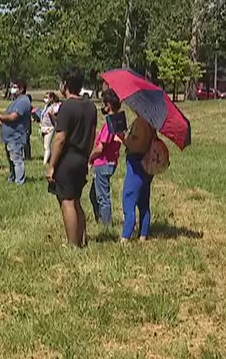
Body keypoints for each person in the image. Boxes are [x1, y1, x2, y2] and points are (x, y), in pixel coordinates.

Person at [46, 72, 96, 247]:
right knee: (76, 200)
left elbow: (60, 139)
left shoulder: (67, 107)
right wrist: (87, 156)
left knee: (66, 201)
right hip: (82, 157)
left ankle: (72, 244)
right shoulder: (90, 107)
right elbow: (92, 135)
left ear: (66, 84)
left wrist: (52, 165)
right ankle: (82, 239)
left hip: (67, 159)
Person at [121, 112, 159, 242]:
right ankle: (143, 234)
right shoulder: (151, 122)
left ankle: (126, 237)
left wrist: (123, 139)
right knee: (143, 201)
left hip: (137, 164)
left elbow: (137, 145)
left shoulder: (141, 122)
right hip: (147, 165)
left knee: (129, 199)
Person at [89, 89, 124, 226]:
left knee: (102, 197)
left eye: (103, 103)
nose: (102, 106)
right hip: (111, 162)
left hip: (103, 163)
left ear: (108, 105)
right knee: (93, 194)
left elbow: (100, 148)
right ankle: (100, 219)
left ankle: (106, 225)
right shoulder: (119, 121)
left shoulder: (110, 123)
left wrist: (90, 157)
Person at [0, 80, 33, 185]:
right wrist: (2, 122)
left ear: (21, 89)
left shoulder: (23, 101)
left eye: (15, 87)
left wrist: (2, 118)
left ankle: (19, 181)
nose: (12, 89)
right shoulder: (16, 100)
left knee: (17, 159)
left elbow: (13, 117)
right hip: (9, 136)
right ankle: (13, 177)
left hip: (16, 136)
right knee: (11, 159)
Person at [40, 92, 62, 165]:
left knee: (47, 146)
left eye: (47, 97)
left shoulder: (54, 107)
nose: (45, 99)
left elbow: (57, 118)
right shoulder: (46, 106)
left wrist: (52, 114)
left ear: (51, 98)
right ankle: (49, 158)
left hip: (50, 128)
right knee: (45, 145)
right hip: (44, 127)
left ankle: (45, 162)